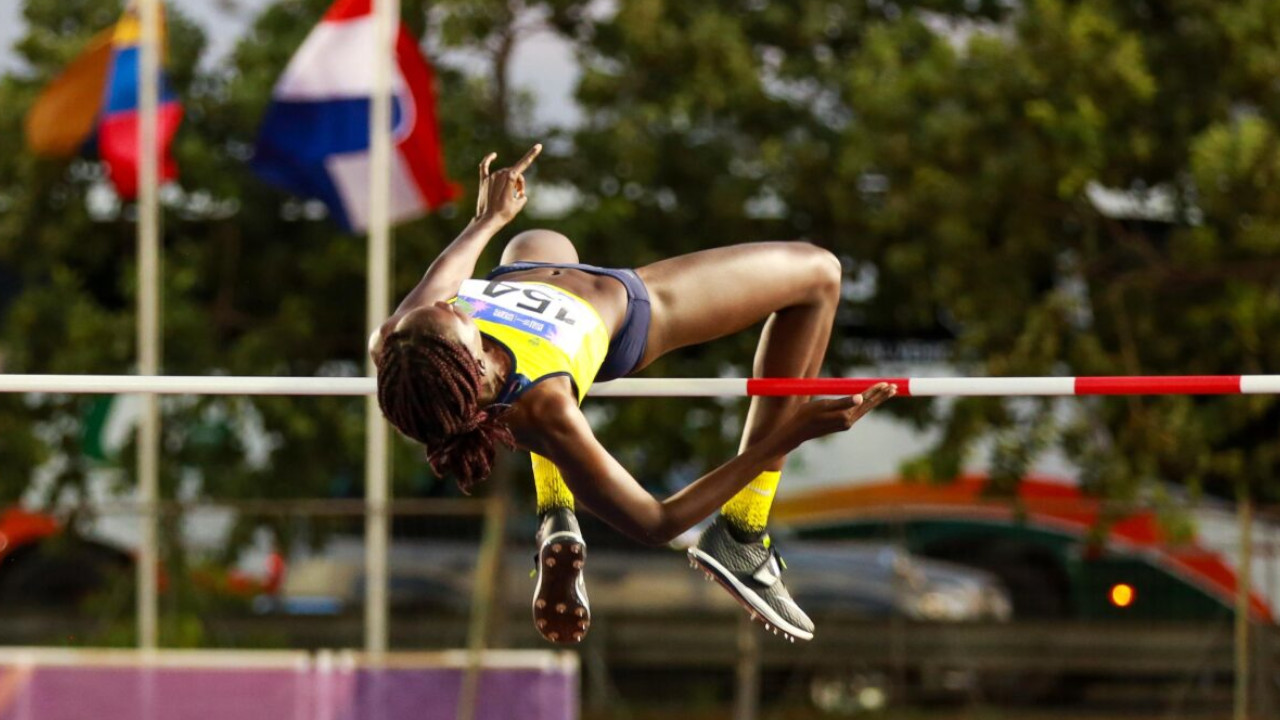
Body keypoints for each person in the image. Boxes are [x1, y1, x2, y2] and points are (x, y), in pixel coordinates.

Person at [370, 144, 896, 644]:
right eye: (453, 315)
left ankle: (556, 513)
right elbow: (656, 522)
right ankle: (742, 531)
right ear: (474, 364)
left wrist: (486, 221)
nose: (453, 303)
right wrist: (791, 433)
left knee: (534, 239)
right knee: (819, 273)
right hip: (634, 308)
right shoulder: (546, 406)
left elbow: (437, 293)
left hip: (535, 277)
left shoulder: (402, 343)